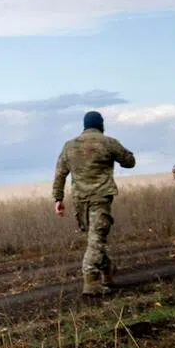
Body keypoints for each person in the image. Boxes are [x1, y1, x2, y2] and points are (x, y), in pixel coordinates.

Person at [52, 110, 136, 296]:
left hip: (79, 201)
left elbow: (60, 174)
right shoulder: (108, 142)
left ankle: (107, 271)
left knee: (94, 239)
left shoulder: (69, 146)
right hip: (100, 198)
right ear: (101, 124)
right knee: (96, 240)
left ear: (85, 125)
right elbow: (130, 162)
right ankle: (91, 281)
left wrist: (58, 199)